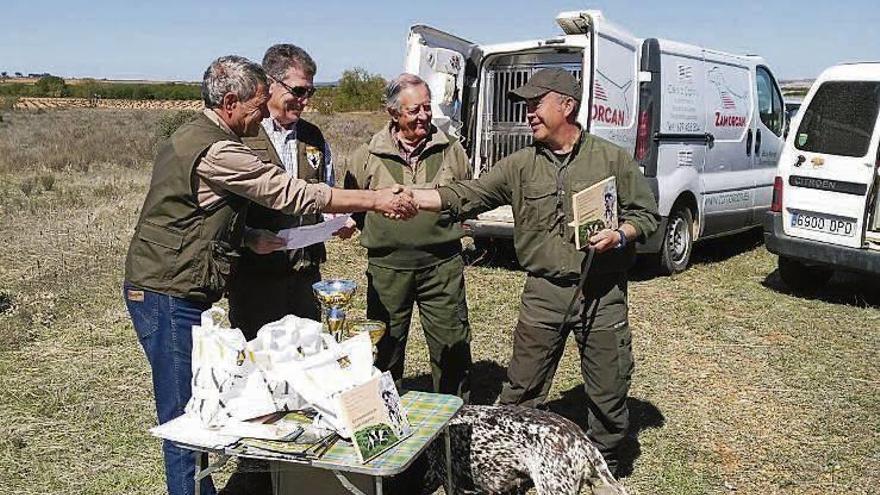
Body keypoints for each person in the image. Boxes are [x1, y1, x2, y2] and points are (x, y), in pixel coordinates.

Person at [122, 55, 415, 495]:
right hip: (167, 294)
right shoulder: (217, 148)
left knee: (199, 405)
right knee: (186, 417)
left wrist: (249, 236)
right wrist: (372, 199)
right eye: (258, 105)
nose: (262, 114)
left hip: (179, 289)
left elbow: (197, 214)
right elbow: (288, 193)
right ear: (231, 101)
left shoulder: (201, 134)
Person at [410, 68, 659, 475]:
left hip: (602, 289)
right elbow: (469, 194)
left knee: (608, 385)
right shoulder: (520, 165)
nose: (529, 113)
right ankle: (513, 461)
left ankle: (604, 462)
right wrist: (415, 198)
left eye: (536, 104)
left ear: (567, 106)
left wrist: (620, 233)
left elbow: (646, 215)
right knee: (522, 385)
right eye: (526, 106)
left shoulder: (610, 158)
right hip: (544, 291)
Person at [342, 73, 472, 400]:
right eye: (415, 110)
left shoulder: (453, 150)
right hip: (387, 269)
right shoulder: (365, 155)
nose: (424, 116)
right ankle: (386, 417)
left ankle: (454, 420)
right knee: (385, 346)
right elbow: (354, 203)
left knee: (451, 344)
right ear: (393, 114)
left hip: (442, 267)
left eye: (427, 108)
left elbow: (466, 196)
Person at [227, 44, 356, 340]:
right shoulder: (243, 133)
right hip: (255, 275)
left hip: (304, 271)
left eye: (310, 92)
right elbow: (220, 208)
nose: (304, 101)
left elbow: (326, 190)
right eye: (298, 91)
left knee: (306, 355)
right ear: (270, 84)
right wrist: (248, 237)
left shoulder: (313, 136)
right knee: (258, 361)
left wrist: (339, 218)